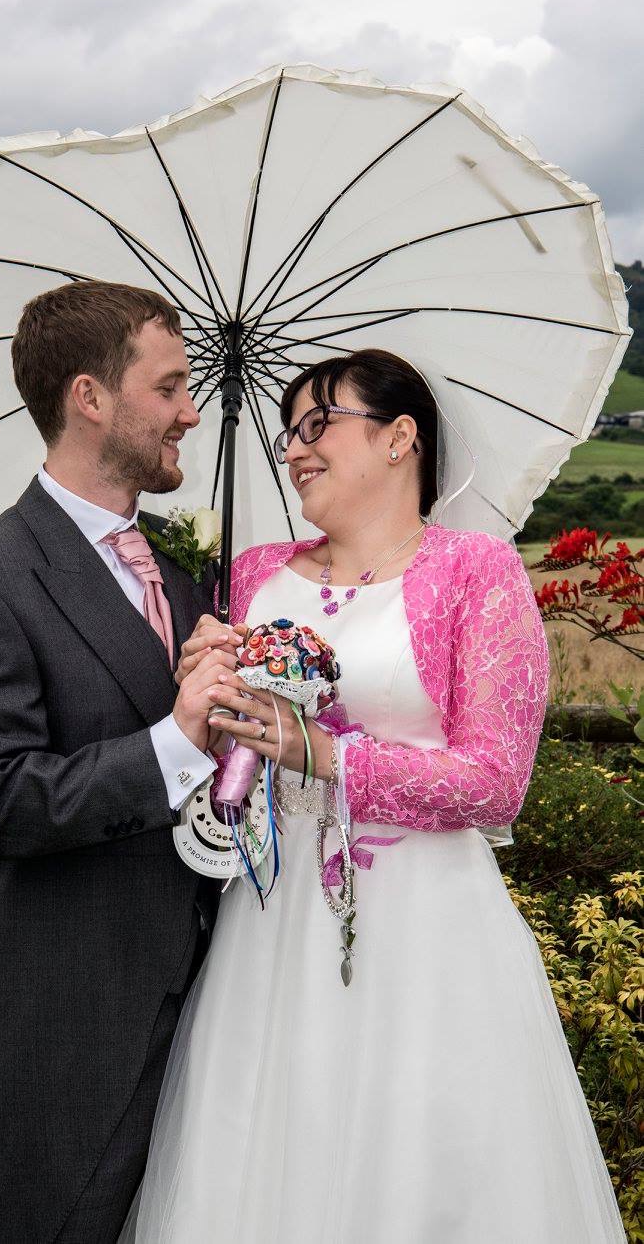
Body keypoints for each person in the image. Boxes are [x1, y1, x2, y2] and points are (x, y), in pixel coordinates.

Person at [124, 349, 627, 1242]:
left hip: (427, 936)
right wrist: (201, 684)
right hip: (267, 929)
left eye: (319, 424)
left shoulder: (475, 571)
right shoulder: (251, 574)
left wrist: (321, 753)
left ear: (400, 438)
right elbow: (217, 755)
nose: (294, 449)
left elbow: (495, 781)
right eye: (288, 433)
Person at [0, 281, 239, 1243]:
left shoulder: (182, 584)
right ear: (89, 397)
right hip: (65, 1033)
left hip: (213, 1017)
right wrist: (177, 739)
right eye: (169, 387)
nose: (190, 412)